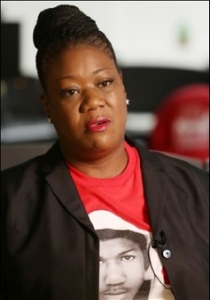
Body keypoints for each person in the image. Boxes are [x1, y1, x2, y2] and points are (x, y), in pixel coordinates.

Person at [1, 3, 209, 300]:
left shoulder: (199, 191)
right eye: (71, 91)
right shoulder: (11, 204)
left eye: (104, 82)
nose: (93, 101)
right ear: (47, 105)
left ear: (122, 86)